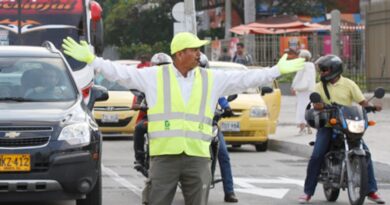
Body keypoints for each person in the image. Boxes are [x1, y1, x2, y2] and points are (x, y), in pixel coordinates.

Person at [62, 32, 304, 205]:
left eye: (199, 50)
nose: (199, 54)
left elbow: (246, 79)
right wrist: (93, 61)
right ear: (179, 54)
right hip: (164, 157)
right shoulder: (154, 76)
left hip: (198, 158)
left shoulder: (212, 79)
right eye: (194, 50)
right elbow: (121, 73)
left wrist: (276, 71)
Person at [299, 55, 385, 204]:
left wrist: (371, 106)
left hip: (347, 125)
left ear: (335, 69)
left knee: (366, 153)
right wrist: (318, 105)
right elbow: (316, 103)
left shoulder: (349, 84)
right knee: (317, 155)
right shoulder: (319, 86)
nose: (322, 73)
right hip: (328, 125)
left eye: (325, 70)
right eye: (321, 70)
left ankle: (371, 190)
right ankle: (308, 192)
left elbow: (362, 101)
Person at [199, 52, 238, 203]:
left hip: (211, 125)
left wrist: (227, 108)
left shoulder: (211, 84)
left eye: (202, 69)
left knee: (223, 155)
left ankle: (229, 191)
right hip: (192, 129)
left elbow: (221, 98)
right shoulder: (185, 85)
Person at [133, 52, 173, 174]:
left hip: (171, 119)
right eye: (158, 67)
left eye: (165, 66)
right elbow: (139, 96)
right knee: (139, 128)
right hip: (152, 118)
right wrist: (138, 105)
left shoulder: (176, 83)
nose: (162, 70)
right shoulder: (148, 83)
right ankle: (139, 159)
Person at [291, 49, 316, 135]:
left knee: (301, 108)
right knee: (309, 108)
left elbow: (298, 77)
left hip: (302, 90)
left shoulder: (302, 65)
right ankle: (309, 128)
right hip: (310, 90)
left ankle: (302, 129)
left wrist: (293, 86)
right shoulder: (312, 65)